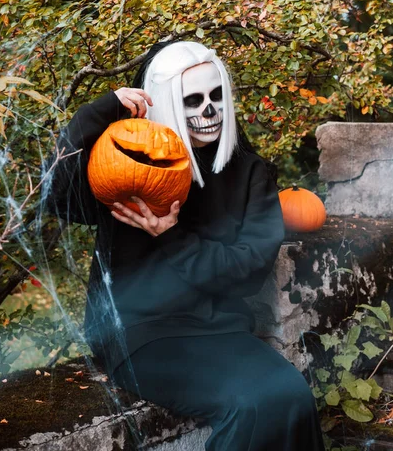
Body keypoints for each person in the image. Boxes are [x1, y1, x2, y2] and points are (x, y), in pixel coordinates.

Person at [44, 40, 325, 450]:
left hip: (219, 330)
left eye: (216, 97)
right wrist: (99, 111)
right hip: (139, 333)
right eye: (192, 99)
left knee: (292, 394)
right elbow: (54, 193)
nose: (208, 111)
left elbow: (247, 272)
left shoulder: (250, 173)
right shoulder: (130, 166)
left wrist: (172, 237)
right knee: (250, 403)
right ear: (168, 102)